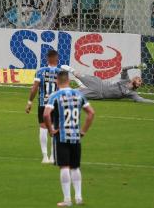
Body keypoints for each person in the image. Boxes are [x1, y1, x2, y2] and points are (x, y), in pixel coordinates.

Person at [44, 71, 95, 207]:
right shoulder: (79, 94)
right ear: (69, 81)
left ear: (57, 81)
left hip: (61, 136)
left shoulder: (55, 95)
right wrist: (83, 131)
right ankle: (78, 197)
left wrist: (50, 130)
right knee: (75, 167)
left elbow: (46, 115)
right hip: (75, 136)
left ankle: (67, 200)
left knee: (64, 167)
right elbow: (91, 113)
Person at [61, 64, 154, 104]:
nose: (138, 78)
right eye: (139, 78)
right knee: (79, 74)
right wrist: (135, 66)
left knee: (72, 94)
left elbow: (140, 100)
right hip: (99, 83)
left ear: (137, 85)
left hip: (98, 95)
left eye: (139, 81)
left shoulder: (131, 93)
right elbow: (124, 69)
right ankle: (70, 69)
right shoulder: (126, 80)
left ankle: (55, 92)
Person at [26, 50, 61, 163]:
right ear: (56, 59)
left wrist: (29, 102)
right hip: (55, 104)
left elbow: (34, 88)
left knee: (43, 127)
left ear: (47, 59)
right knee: (54, 128)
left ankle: (45, 157)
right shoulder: (60, 72)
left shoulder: (40, 71)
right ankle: (53, 157)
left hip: (43, 104)